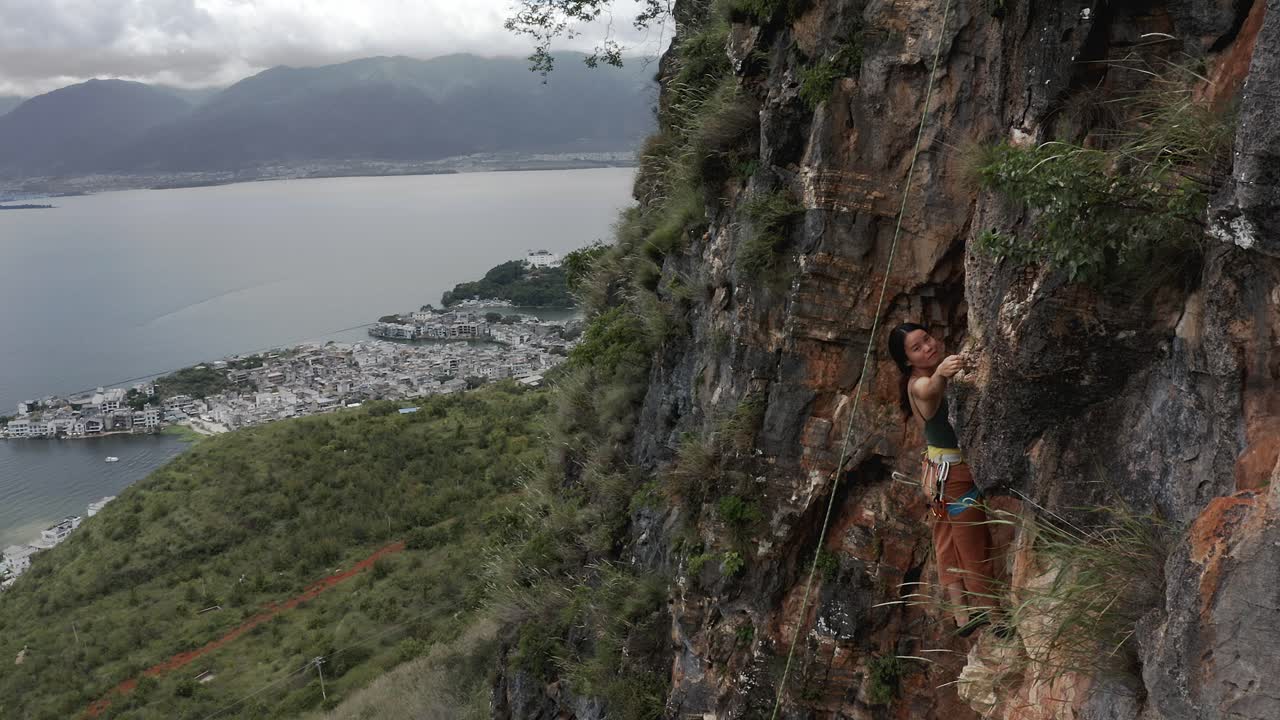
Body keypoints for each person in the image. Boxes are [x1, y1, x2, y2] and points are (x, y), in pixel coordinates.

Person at [887, 322, 1003, 637]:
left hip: (937, 475)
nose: (928, 347)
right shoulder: (918, 384)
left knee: (947, 539)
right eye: (917, 347)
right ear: (908, 360)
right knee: (972, 543)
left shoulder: (923, 375)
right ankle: (996, 617)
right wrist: (940, 372)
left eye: (927, 339)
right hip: (954, 480)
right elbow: (930, 389)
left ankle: (961, 616)